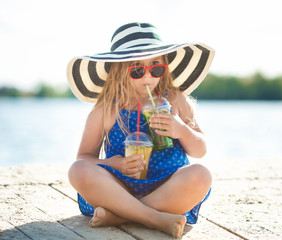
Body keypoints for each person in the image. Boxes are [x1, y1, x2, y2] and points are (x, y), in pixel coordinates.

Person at [67, 22, 215, 238]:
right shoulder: (107, 109)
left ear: (164, 66)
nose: (148, 77)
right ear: (119, 70)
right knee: (77, 170)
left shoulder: (175, 100)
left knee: (201, 175)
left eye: (155, 67)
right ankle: (154, 217)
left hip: (168, 189)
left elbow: (200, 150)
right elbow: (84, 156)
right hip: (117, 189)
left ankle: (120, 215)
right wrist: (112, 163)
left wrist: (181, 130)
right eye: (137, 69)